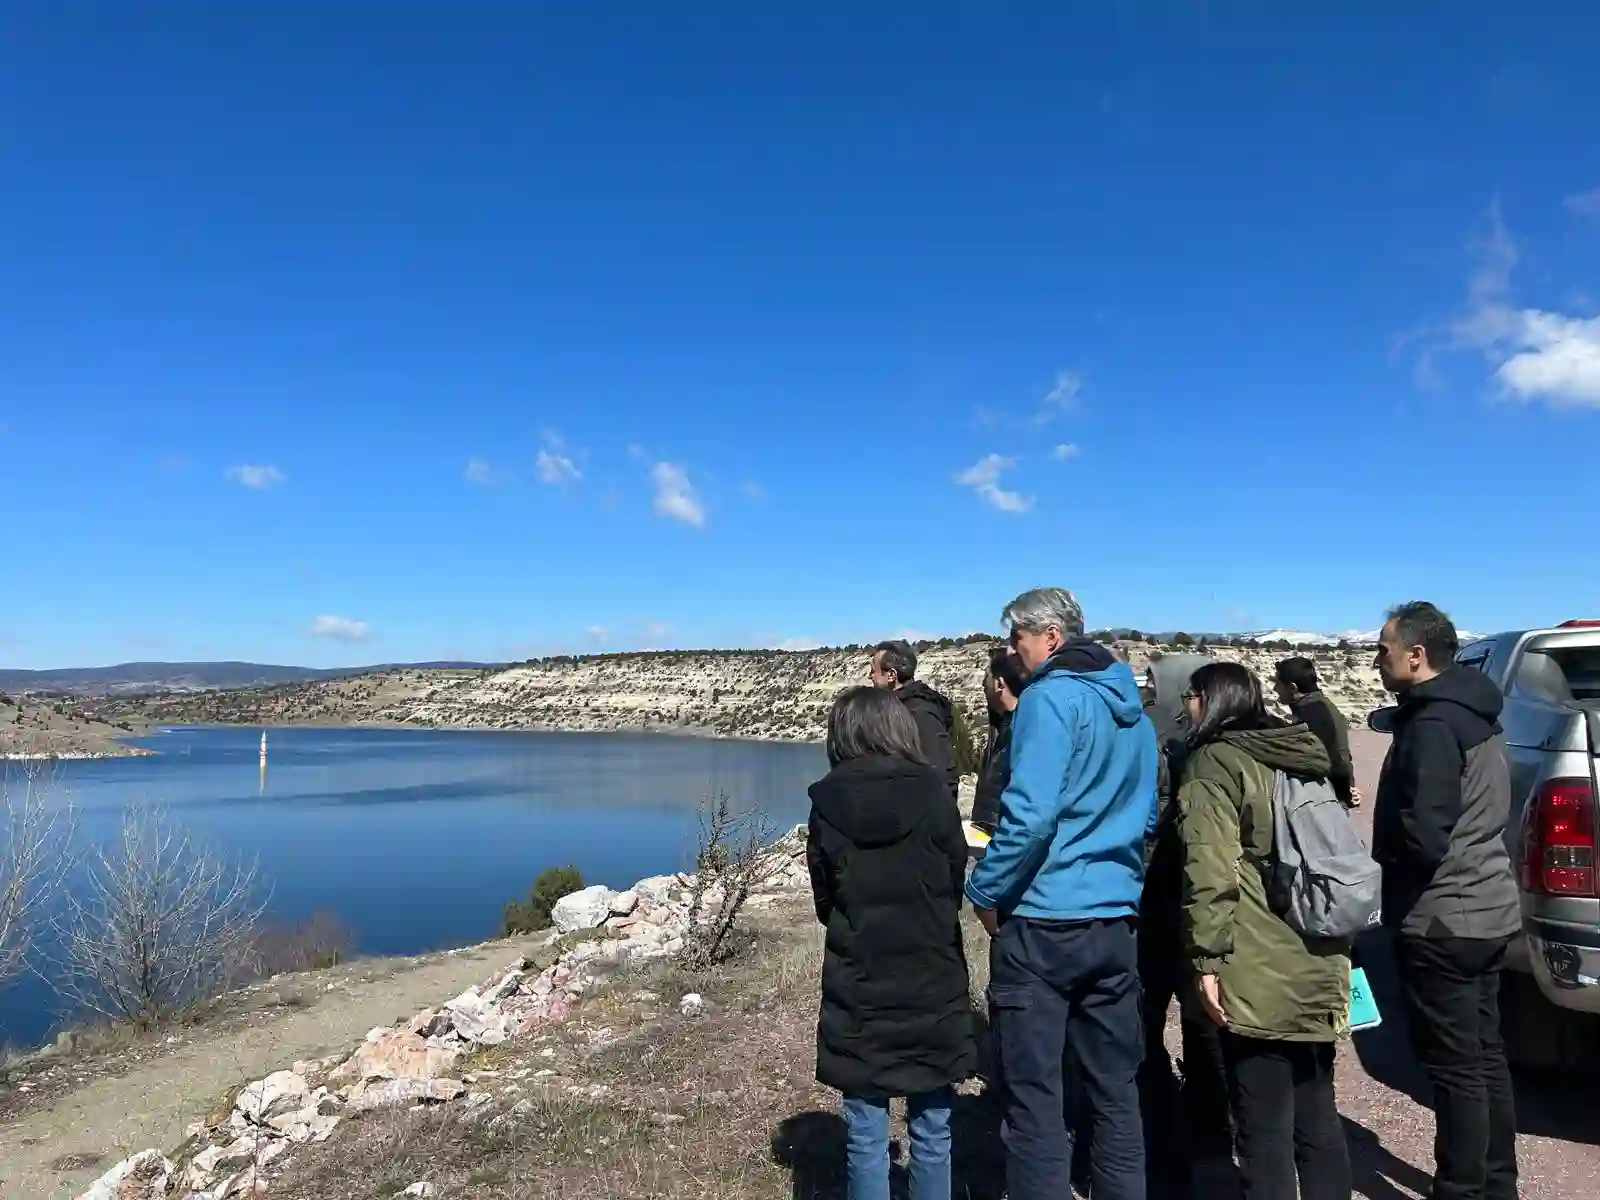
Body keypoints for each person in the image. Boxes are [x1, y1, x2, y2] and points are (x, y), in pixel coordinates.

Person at [966, 587, 1158, 1200]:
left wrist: (984, 889)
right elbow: (1148, 816)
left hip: (1045, 923)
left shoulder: (1048, 699)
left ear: (1050, 637)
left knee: (1034, 1101)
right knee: (1115, 1093)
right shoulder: (1133, 708)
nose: (1009, 648)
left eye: (1016, 636)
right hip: (1115, 922)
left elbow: (1030, 817)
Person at [1178, 661, 1352, 1200]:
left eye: (1191, 695)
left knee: (1263, 1126)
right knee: (1317, 1115)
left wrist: (1206, 960)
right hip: (1319, 944)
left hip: (1258, 961)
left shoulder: (1215, 762)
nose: (1185, 704)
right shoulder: (1301, 756)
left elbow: (1209, 869)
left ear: (1212, 701)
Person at [1372, 602, 1521, 1200]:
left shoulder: (1433, 725)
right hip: (1486, 909)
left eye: (1382, 651)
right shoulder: (1472, 709)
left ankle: (1462, 1189)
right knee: (1485, 1058)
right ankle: (1496, 1183)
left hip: (1446, 917)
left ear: (1416, 655)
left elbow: (1425, 835)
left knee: (1457, 1069)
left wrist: (1391, 890)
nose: (1376, 661)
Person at [805, 685, 975, 1200]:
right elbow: (953, 880)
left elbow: (824, 900)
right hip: (931, 974)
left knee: (863, 1130)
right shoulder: (933, 794)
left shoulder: (826, 804)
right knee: (933, 1127)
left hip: (859, 981)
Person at [1137, 652, 1233, 1182]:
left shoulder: (1177, 746)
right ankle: (1207, 1140)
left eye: (1156, 682)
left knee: (1151, 1023)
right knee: (1203, 1031)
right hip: (1187, 906)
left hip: (1164, 902)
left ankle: (1166, 1140)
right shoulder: (1200, 745)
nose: (1149, 689)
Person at [869, 639, 957, 802]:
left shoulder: (920, 714)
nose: (870, 676)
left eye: (873, 671)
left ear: (891, 675)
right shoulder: (899, 709)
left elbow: (940, 774)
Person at [1274, 657, 1360, 807]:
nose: (1275, 689)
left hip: (1326, 800)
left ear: (1293, 688)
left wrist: (1345, 790)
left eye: (1278, 684)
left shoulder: (1312, 714)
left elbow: (1336, 760)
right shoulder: (1318, 704)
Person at [972, 646, 1031, 834]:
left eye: (985, 682)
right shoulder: (1001, 724)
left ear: (999, 684)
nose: (983, 687)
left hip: (1005, 837)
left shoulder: (1020, 732)